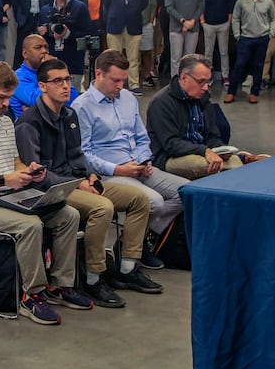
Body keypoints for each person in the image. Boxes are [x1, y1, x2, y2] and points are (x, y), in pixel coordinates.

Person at [0, 61, 86, 325]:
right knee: (30, 225)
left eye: (9, 97)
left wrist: (27, 170)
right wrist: (5, 179)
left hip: (9, 194)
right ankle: (31, 295)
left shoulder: (5, 122)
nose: (6, 104)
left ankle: (60, 285)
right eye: (2, 97)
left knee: (68, 215)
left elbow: (15, 163)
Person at [16, 57, 158, 307]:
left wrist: (89, 174)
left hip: (78, 180)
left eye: (67, 80)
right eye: (57, 81)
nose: (64, 86)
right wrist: (77, 183)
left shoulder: (68, 115)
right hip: (50, 189)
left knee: (138, 199)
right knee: (103, 207)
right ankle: (93, 277)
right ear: (42, 86)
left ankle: (127, 268)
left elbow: (79, 155)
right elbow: (36, 174)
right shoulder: (29, 123)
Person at [76, 50, 192, 259]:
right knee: (154, 201)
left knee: (188, 192)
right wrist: (117, 169)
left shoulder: (128, 99)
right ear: (99, 74)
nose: (120, 86)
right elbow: (84, 153)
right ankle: (135, 247)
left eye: (123, 80)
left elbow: (141, 136)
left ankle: (137, 237)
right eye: (115, 81)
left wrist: (145, 158)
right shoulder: (82, 106)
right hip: (110, 172)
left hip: (139, 166)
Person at [147, 55, 268, 180]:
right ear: (183, 77)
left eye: (208, 81)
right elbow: (171, 144)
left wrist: (221, 149)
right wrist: (204, 151)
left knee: (225, 162)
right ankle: (243, 160)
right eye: (201, 82)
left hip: (201, 150)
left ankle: (240, 159)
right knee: (204, 165)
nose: (205, 87)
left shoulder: (203, 97)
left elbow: (212, 135)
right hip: (169, 157)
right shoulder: (161, 103)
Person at [100, 0, 150, 91]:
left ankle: (134, 84)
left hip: (134, 24)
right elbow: (106, 1)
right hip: (115, 22)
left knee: (133, 58)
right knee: (113, 57)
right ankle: (113, 83)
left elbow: (144, 3)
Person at [229, 0, 275, 103]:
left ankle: (254, 93)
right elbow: (235, 18)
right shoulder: (242, 0)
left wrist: (271, 33)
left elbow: (274, 19)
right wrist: (237, 35)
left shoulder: (268, 1)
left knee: (258, 66)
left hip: (262, 38)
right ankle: (231, 92)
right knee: (239, 65)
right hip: (245, 38)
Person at [38, 0, 92, 87]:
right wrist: (43, 32)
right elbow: (39, 36)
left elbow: (88, 35)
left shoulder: (80, 8)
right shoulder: (45, 10)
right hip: (51, 63)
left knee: (72, 96)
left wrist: (68, 34)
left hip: (73, 62)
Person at [10, 34, 73, 120]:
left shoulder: (52, 73)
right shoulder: (17, 77)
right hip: (28, 127)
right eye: (38, 48)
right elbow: (35, 102)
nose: (44, 51)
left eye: (46, 47)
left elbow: (72, 97)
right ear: (25, 54)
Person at [163, 0, 204, 75]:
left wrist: (192, 21)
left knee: (190, 59)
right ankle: (175, 82)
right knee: (176, 58)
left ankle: (188, 82)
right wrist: (183, 21)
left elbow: (201, 6)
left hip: (193, 27)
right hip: (176, 28)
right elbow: (169, 7)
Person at [201, 0, 235, 94]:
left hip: (223, 25)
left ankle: (225, 76)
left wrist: (228, 22)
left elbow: (231, 8)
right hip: (208, 25)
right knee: (208, 52)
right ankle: (207, 77)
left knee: (224, 52)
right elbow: (201, 6)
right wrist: (202, 21)